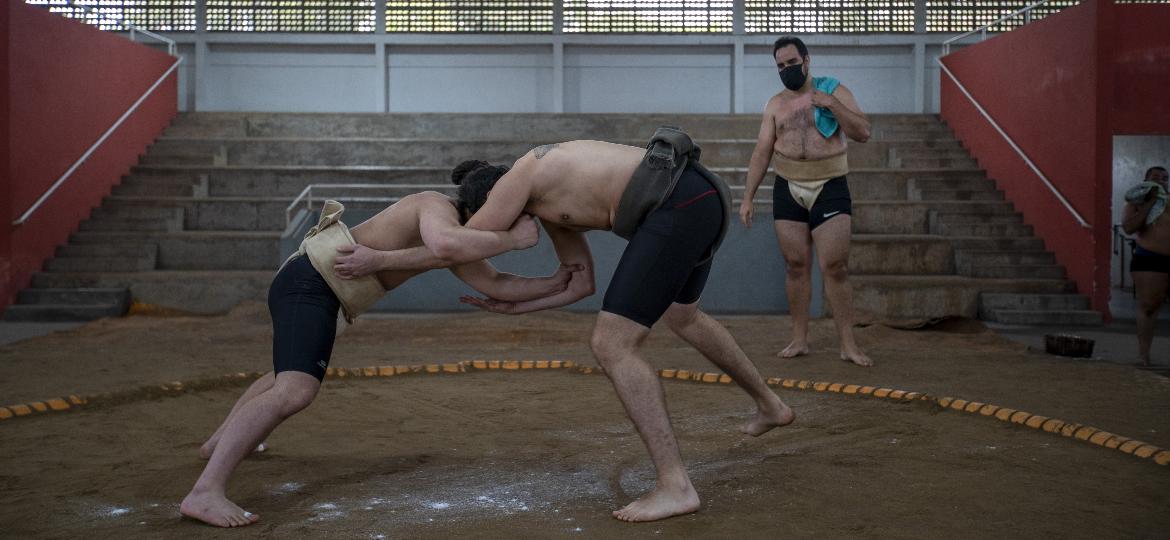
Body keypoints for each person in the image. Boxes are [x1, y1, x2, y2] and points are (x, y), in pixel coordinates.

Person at [335, 131, 795, 523]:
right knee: (683, 315)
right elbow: (581, 282)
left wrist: (381, 260)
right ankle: (770, 406)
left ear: (494, 201)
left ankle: (675, 485)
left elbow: (458, 248)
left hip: (675, 200)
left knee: (612, 345)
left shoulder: (520, 177)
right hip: (698, 197)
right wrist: (522, 308)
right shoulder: (551, 202)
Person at [179, 163, 582, 528]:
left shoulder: (463, 242)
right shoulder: (433, 206)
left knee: (287, 375)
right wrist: (509, 240)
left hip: (320, 290)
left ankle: (221, 440)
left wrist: (553, 282)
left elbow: (495, 283)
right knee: (297, 389)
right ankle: (205, 491)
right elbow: (442, 246)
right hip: (312, 282)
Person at [738, 36, 873, 367]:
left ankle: (848, 345)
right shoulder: (774, 105)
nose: (787, 70)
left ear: (806, 61)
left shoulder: (834, 90)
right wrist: (748, 197)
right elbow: (762, 151)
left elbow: (863, 132)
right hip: (788, 186)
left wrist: (832, 104)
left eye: (791, 63)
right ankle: (799, 339)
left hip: (829, 184)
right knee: (795, 265)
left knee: (835, 267)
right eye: (780, 66)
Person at [1122, 165, 1170, 366]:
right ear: (1146, 180)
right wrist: (1150, 202)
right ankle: (1144, 355)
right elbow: (1130, 228)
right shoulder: (1135, 203)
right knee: (1149, 306)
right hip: (1150, 257)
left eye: (1164, 178)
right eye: (1155, 177)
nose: (1160, 181)